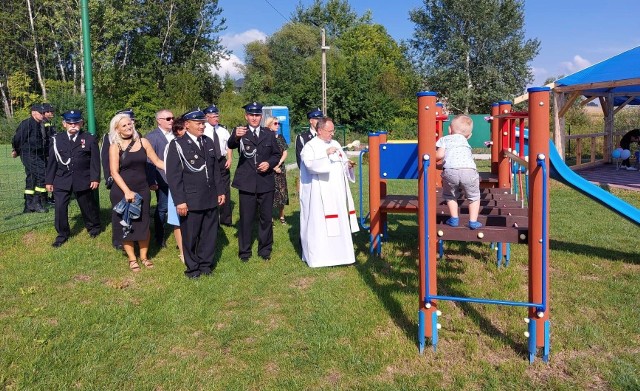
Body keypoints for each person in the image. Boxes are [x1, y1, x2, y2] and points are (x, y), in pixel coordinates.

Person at [165, 109, 225, 278]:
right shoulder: (177, 144)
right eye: (198, 123)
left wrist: (220, 190)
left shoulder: (207, 141)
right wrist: (180, 201)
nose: (202, 126)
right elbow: (174, 176)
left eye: (203, 123)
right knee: (190, 236)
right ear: (187, 124)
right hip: (191, 198)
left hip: (210, 195)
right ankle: (192, 269)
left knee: (209, 234)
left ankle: (206, 265)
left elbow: (215, 170)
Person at [108, 113, 164, 273]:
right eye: (124, 125)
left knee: (143, 223)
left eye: (129, 124)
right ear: (117, 129)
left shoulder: (143, 142)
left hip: (142, 189)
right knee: (126, 224)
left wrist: (176, 169)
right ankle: (133, 259)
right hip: (122, 191)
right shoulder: (115, 147)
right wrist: (127, 191)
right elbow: (114, 172)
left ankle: (144, 257)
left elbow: (157, 161)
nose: (128, 127)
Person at [299, 117, 359, 268]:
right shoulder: (310, 146)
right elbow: (310, 166)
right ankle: (320, 257)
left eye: (333, 130)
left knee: (339, 221)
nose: (332, 134)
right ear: (320, 130)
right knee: (320, 224)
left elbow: (342, 162)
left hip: (336, 192)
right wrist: (325, 154)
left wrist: (348, 166)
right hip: (319, 193)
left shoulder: (336, 144)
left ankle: (342, 255)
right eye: (329, 131)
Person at [227, 102, 281, 262]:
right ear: (246, 116)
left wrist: (269, 164)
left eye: (257, 115)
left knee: (266, 218)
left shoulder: (269, 133)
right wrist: (236, 135)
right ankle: (244, 251)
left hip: (265, 182)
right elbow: (231, 144)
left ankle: (265, 250)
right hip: (247, 183)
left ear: (261, 117)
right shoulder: (240, 132)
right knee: (246, 218)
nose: (254, 118)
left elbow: (276, 154)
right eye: (251, 115)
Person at [45, 110, 101, 247]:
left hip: (83, 178)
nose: (73, 125)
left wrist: (95, 178)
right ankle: (62, 234)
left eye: (76, 123)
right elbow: (52, 161)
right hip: (61, 179)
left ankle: (93, 227)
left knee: (87, 205)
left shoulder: (89, 138)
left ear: (81, 123)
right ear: (64, 124)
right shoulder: (56, 139)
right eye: (69, 123)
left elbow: (94, 161)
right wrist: (48, 181)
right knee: (59, 207)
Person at [435, 114, 482, 229]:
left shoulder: (445, 139)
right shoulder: (466, 141)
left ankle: (454, 219)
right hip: (469, 171)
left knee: (450, 195)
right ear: (469, 136)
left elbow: (440, 155)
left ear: (449, 129)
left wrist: (432, 159)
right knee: (474, 197)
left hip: (450, 172)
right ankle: (473, 221)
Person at [102, 108, 135, 251]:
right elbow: (105, 158)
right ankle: (118, 239)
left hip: (134, 179)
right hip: (117, 178)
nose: (129, 124)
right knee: (119, 211)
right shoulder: (109, 138)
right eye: (126, 121)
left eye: (131, 121)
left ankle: (133, 236)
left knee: (133, 210)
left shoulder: (137, 136)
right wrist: (109, 177)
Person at [144, 109, 175, 247]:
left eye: (172, 118)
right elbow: (149, 161)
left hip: (178, 178)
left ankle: (181, 233)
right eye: (168, 119)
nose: (171, 121)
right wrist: (152, 181)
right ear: (159, 121)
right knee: (163, 208)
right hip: (162, 179)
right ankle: (160, 237)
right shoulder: (152, 137)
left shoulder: (176, 133)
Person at [11, 104, 49, 213]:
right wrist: (16, 150)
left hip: (38, 153)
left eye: (43, 113)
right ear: (33, 112)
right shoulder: (27, 123)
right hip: (29, 153)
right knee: (43, 174)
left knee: (32, 177)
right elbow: (17, 138)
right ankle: (36, 202)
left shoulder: (40, 123)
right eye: (40, 113)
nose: (43, 115)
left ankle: (28, 205)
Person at [203, 104, 233, 226]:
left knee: (225, 189)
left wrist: (230, 158)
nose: (217, 118)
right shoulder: (202, 130)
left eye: (217, 116)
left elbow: (229, 145)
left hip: (222, 161)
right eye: (214, 116)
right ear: (206, 117)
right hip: (208, 163)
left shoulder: (223, 130)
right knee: (210, 189)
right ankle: (212, 219)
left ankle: (226, 219)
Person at [164, 118, 187, 264]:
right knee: (178, 221)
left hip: (193, 189)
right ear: (178, 131)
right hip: (177, 188)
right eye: (185, 129)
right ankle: (183, 252)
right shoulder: (172, 146)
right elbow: (170, 170)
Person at [265, 116, 289, 225]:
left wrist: (278, 164)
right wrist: (273, 167)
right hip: (269, 169)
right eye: (275, 124)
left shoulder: (280, 137)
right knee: (270, 193)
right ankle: (269, 218)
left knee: (282, 192)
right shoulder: (265, 137)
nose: (278, 126)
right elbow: (264, 154)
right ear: (269, 124)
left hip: (280, 168)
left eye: (278, 124)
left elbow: (285, 152)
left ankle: (282, 216)